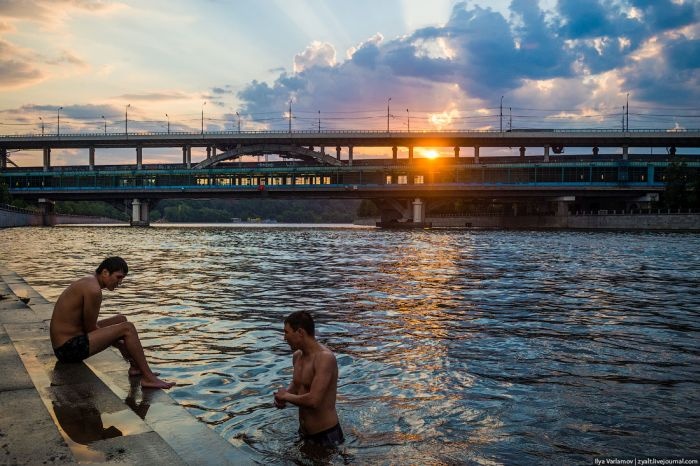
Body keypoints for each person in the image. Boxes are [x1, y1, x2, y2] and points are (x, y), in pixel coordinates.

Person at [49, 256, 174, 389]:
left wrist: (116, 339)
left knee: (121, 320)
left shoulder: (89, 282)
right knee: (127, 328)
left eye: (122, 279)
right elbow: (90, 329)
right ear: (105, 273)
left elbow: (87, 327)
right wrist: (118, 344)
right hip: (67, 350)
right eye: (118, 277)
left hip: (69, 343)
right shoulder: (93, 290)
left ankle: (135, 368)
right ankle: (148, 378)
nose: (120, 283)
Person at [274, 311, 344, 447]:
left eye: (286, 332)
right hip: (304, 432)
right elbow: (296, 386)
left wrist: (286, 396)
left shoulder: (324, 358)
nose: (284, 338)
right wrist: (281, 398)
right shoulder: (297, 357)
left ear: (300, 332)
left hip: (326, 434)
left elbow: (313, 400)